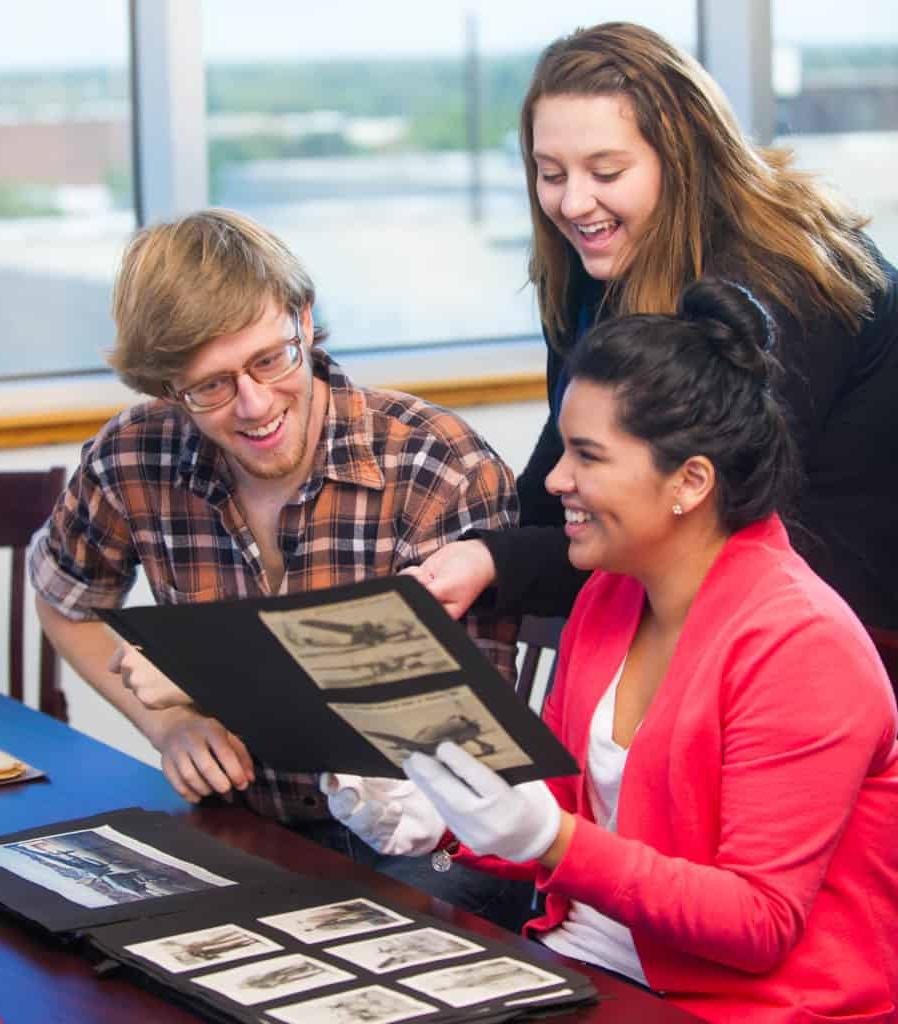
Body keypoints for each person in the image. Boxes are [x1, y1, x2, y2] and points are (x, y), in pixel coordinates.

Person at [323, 279, 898, 1022]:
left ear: (691, 481)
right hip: (585, 968)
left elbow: (757, 923)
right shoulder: (612, 594)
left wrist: (552, 838)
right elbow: (558, 813)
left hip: (745, 1007)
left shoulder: (802, 645)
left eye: (587, 457)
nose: (557, 479)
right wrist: (442, 819)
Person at [27, 208, 533, 929]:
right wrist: (167, 721)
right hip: (244, 824)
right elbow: (64, 598)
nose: (255, 405)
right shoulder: (134, 453)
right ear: (167, 389)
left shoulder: (436, 462)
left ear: (304, 316)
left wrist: (207, 673)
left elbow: (454, 733)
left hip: (429, 846)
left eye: (272, 359)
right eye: (211, 386)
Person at [407, 20, 898, 629]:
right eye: (551, 174)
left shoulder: (770, 289)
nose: (572, 203)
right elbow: (561, 471)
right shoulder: (597, 269)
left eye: (606, 173)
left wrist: (499, 561)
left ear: (685, 162)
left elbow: (680, 528)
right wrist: (468, 549)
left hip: (838, 625)